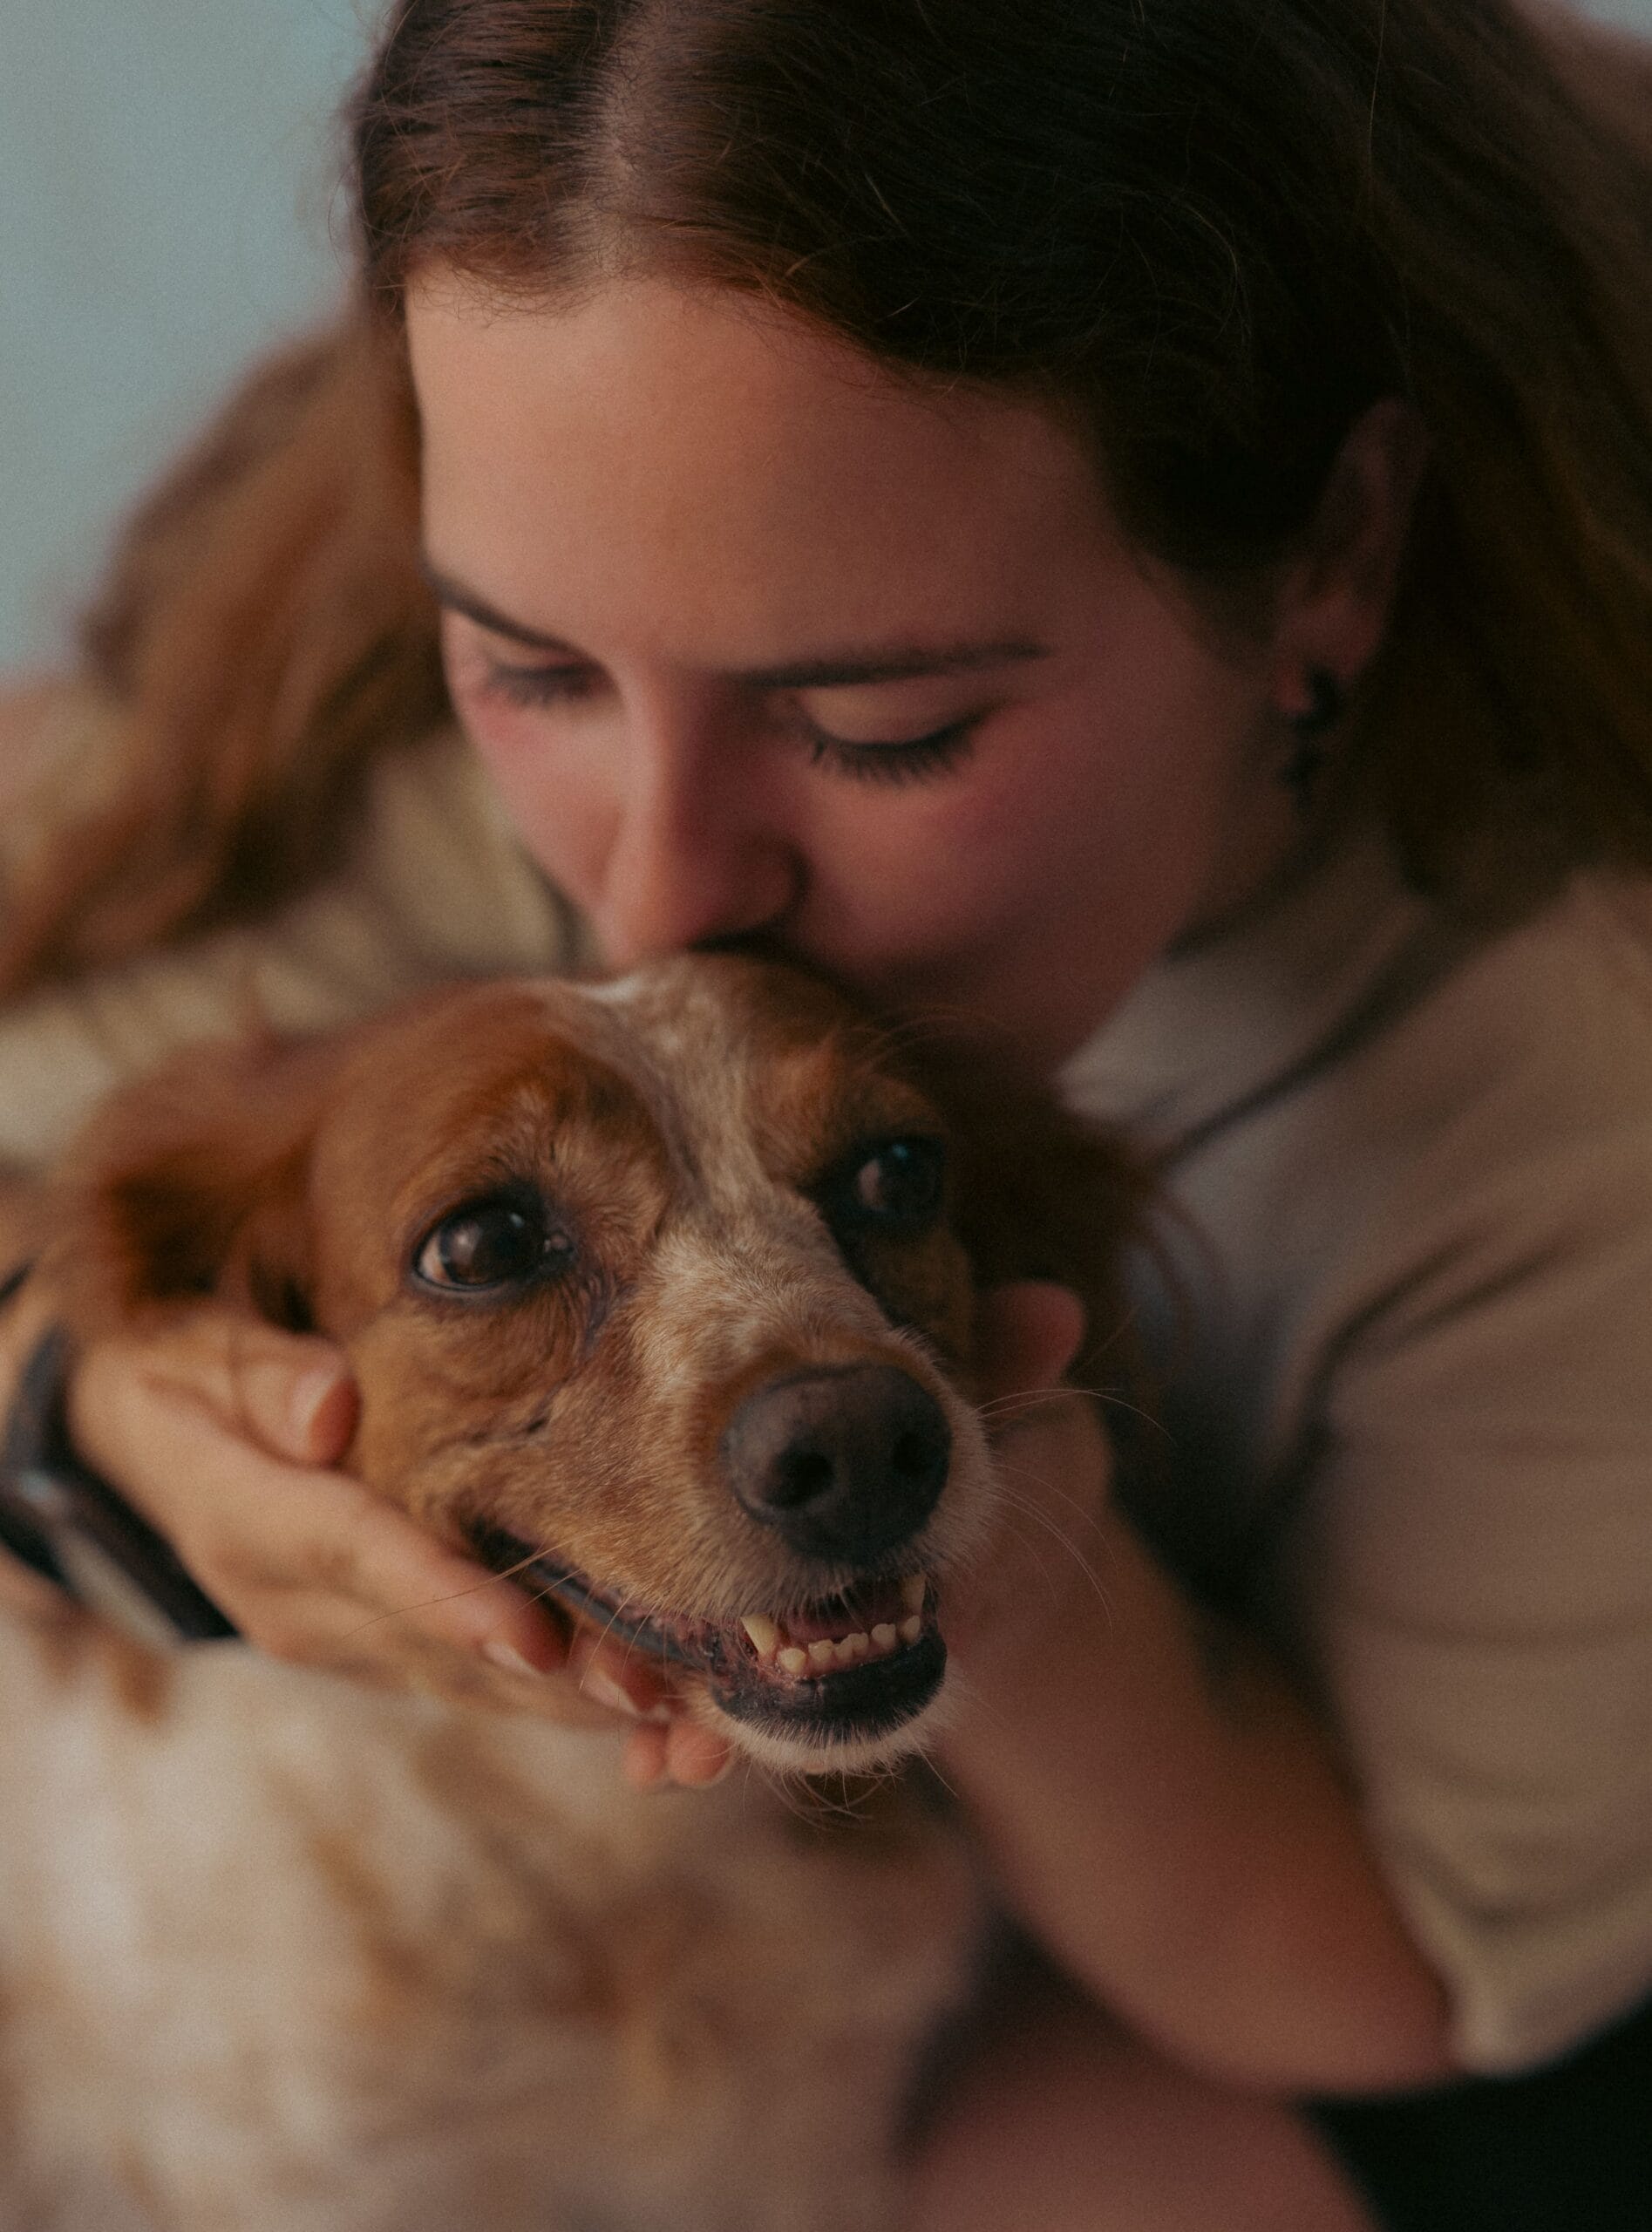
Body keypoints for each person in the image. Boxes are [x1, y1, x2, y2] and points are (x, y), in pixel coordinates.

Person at [3, 0, 1651, 2223]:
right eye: (537, 668)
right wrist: (86, 1415)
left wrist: (1026, 1570)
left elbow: (1415, 1971)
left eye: (885, 725)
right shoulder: (471, 699)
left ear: (1334, 553)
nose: (653, 889)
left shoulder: (1573, 1086)